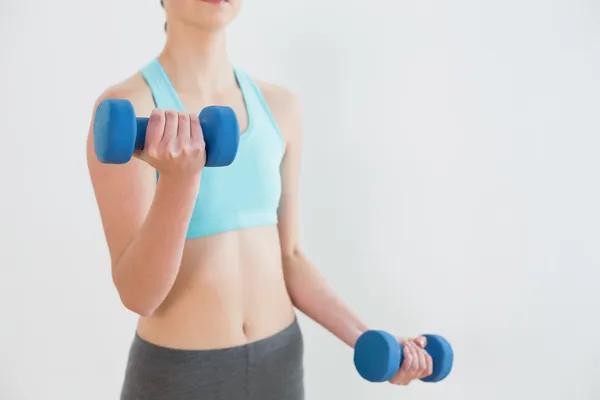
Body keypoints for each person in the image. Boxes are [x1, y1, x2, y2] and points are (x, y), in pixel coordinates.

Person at [86, 1, 434, 399]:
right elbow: (139, 294)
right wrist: (179, 182)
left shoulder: (280, 107)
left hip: (278, 363)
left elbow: (291, 258)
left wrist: (371, 339)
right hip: (181, 374)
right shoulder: (127, 111)